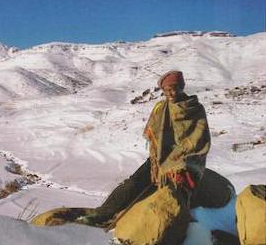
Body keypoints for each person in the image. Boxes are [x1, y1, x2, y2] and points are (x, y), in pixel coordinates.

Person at [82, 70, 234, 226]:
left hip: (187, 159)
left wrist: (178, 158)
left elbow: (199, 139)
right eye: (167, 90)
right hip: (159, 158)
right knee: (132, 183)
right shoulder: (160, 108)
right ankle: (103, 213)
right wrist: (160, 157)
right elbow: (154, 135)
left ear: (182, 86)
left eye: (175, 88)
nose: (172, 92)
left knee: (179, 188)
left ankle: (182, 223)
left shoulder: (195, 108)